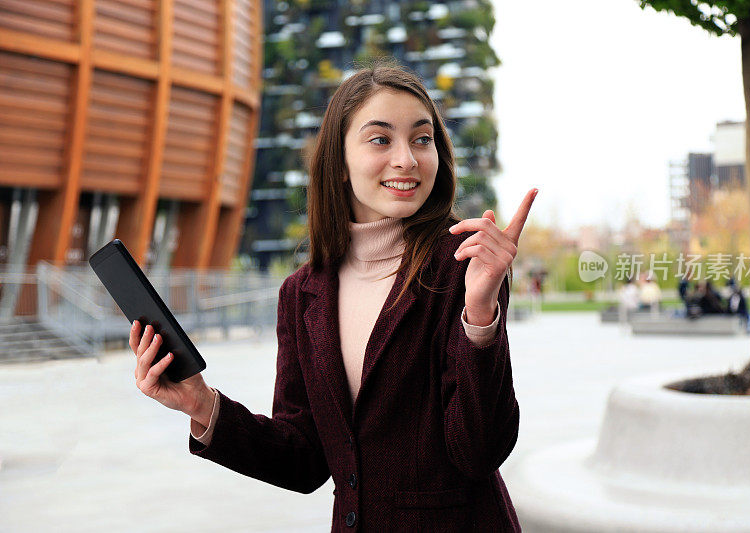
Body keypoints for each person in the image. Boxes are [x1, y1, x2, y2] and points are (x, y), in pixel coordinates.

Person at [128, 64, 535, 531]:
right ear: (339, 164)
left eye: (422, 139)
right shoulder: (302, 294)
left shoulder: (463, 265)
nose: (407, 159)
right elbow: (303, 460)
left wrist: (480, 315)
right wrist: (202, 404)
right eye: (380, 140)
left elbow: (479, 451)